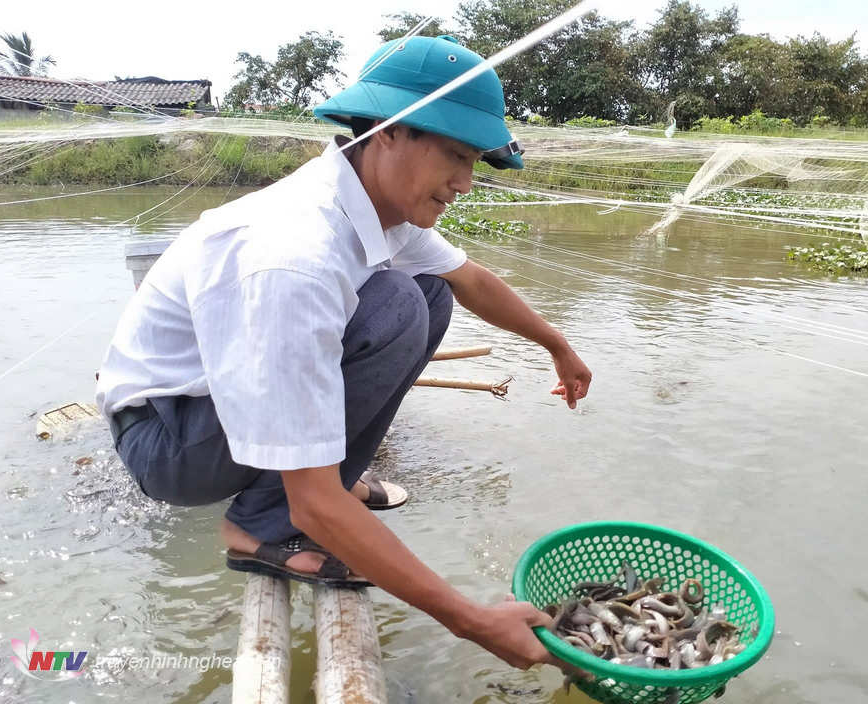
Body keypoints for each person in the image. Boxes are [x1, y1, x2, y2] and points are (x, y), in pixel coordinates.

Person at [95, 35, 591, 670]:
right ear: (387, 132)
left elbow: (472, 281)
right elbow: (315, 504)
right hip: (166, 440)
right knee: (399, 306)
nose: (466, 183)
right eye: (456, 156)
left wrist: (558, 345)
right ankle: (255, 528)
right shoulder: (294, 255)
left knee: (429, 293)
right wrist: (475, 623)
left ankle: (323, 478)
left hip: (207, 412)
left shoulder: (372, 206)